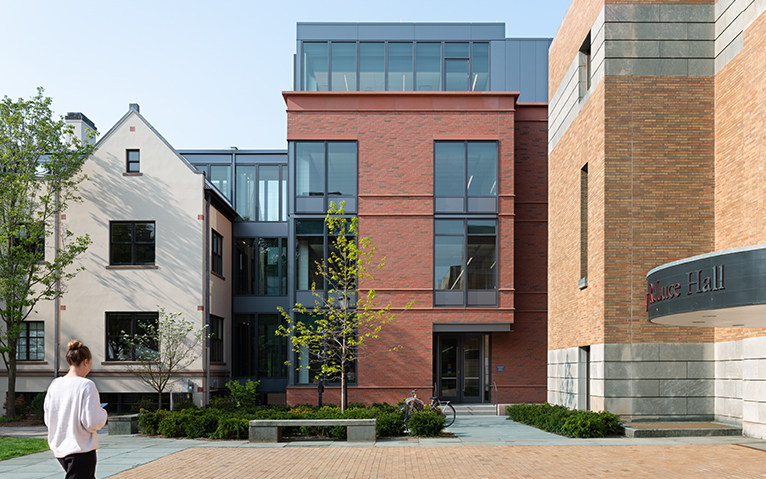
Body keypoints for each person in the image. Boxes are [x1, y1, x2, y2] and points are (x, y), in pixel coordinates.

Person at [44, 340, 108, 479]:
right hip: (81, 448)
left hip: (60, 448)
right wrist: (103, 413)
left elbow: (48, 419)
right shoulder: (86, 385)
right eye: (90, 364)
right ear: (86, 362)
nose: (89, 368)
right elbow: (92, 422)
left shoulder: (55, 384)